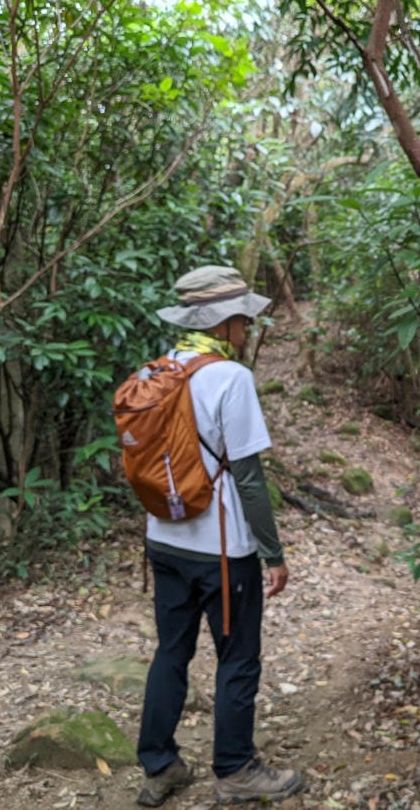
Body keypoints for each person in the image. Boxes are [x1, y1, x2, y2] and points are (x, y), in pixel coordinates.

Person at [134, 265, 303, 807]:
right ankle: (234, 770)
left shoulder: (156, 370)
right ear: (225, 322)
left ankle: (159, 767)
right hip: (222, 552)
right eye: (243, 320)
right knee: (238, 657)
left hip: (163, 539)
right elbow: (249, 478)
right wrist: (273, 552)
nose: (248, 328)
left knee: (171, 652)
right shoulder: (230, 378)